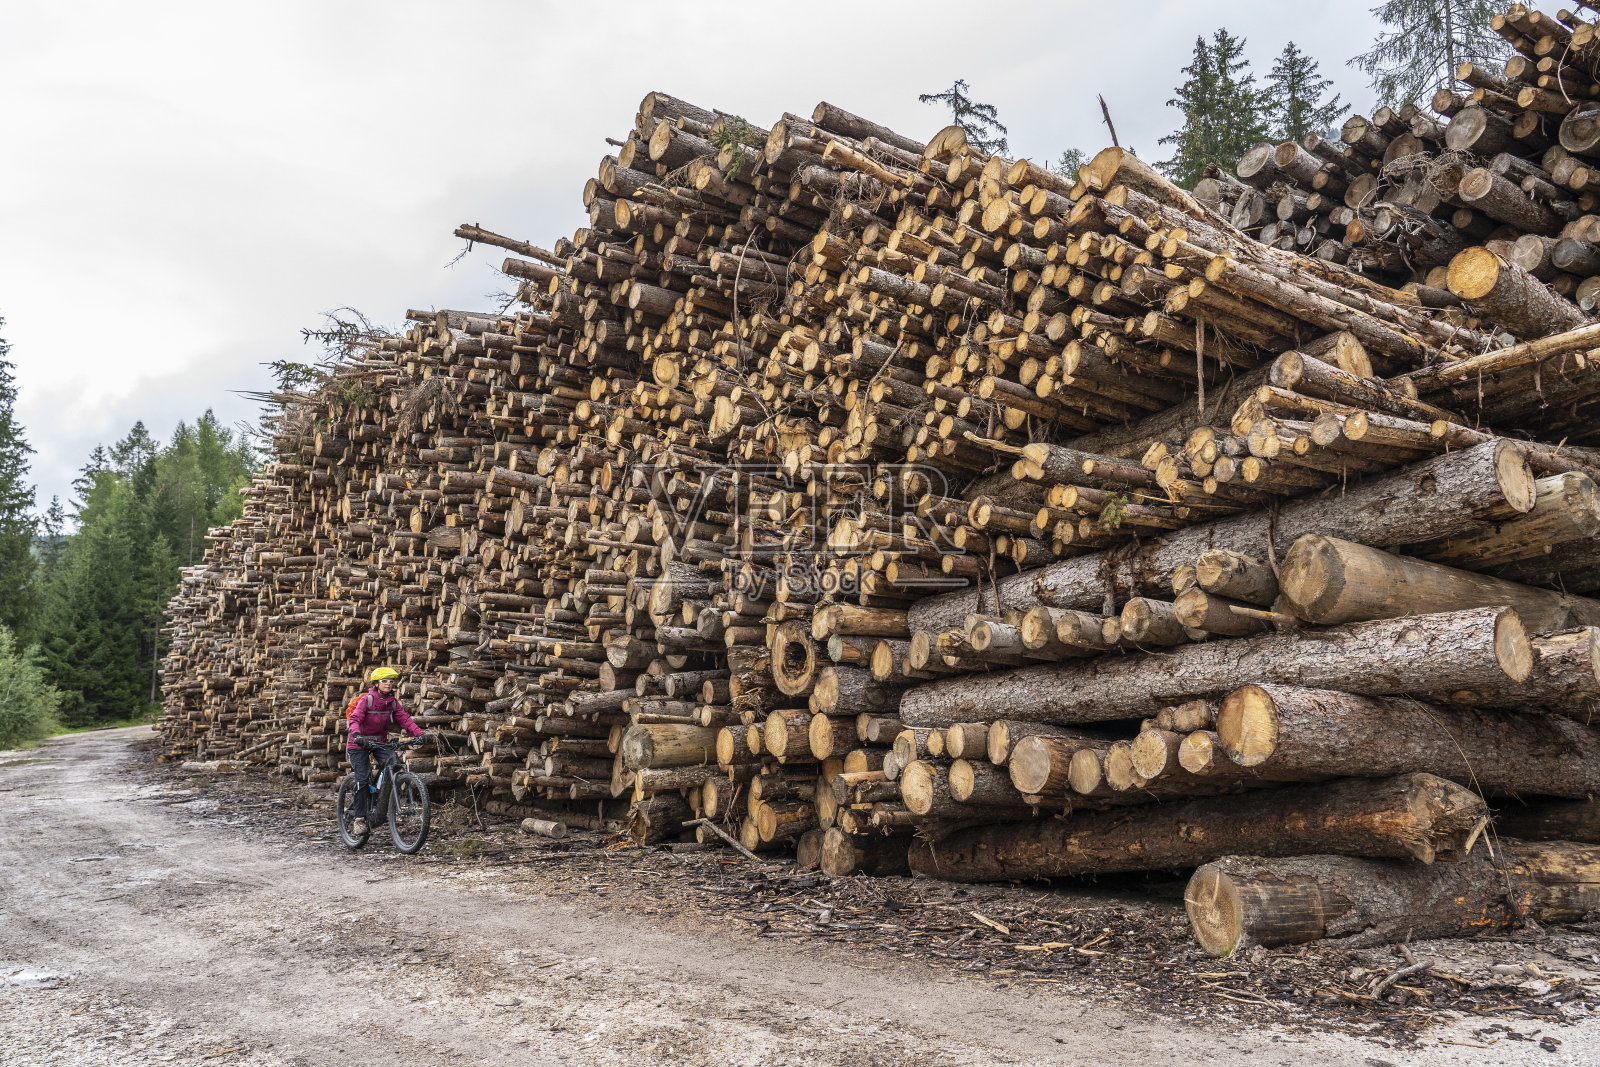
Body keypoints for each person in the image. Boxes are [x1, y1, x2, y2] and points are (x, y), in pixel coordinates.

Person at [346, 666, 425, 835]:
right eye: (384, 681)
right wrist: (357, 735)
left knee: (393, 763)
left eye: (390, 681)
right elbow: (354, 719)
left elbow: (405, 721)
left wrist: (420, 734)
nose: (388, 684)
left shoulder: (392, 703)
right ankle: (358, 819)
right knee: (363, 777)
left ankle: (380, 803)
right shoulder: (367, 700)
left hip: (380, 742)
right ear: (376, 684)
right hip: (358, 742)